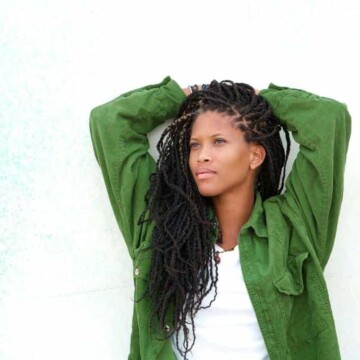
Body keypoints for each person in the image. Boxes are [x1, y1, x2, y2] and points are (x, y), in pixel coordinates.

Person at [89, 76, 351, 360]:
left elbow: (328, 119)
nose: (202, 156)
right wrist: (184, 95)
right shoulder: (160, 225)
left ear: (255, 156)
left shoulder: (292, 226)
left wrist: (260, 99)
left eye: (218, 141)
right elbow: (109, 123)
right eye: (195, 145)